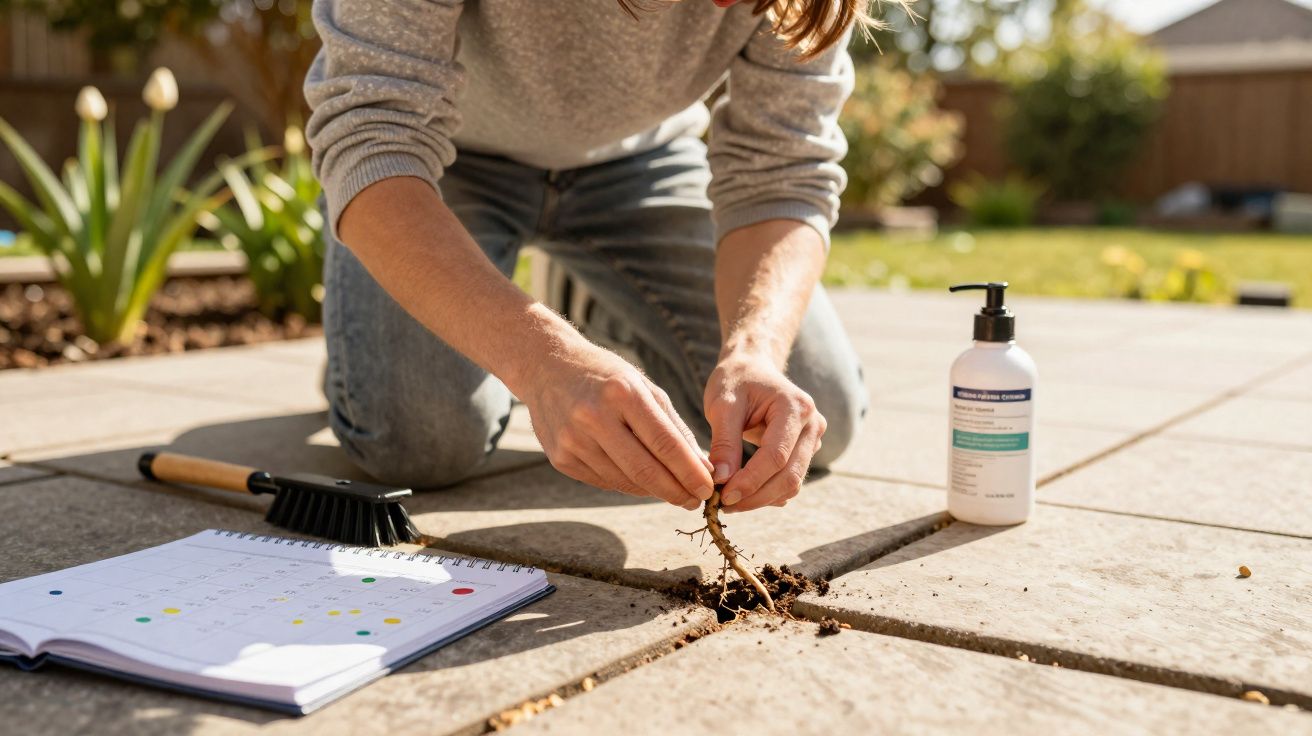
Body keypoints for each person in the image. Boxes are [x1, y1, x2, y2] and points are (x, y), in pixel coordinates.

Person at [304, 0, 878, 514]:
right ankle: (374, 330)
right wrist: (543, 360)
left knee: (805, 410)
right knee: (420, 443)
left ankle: (593, 308)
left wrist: (755, 352)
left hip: (642, 161)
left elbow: (782, 173)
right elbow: (372, 141)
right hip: (441, 164)